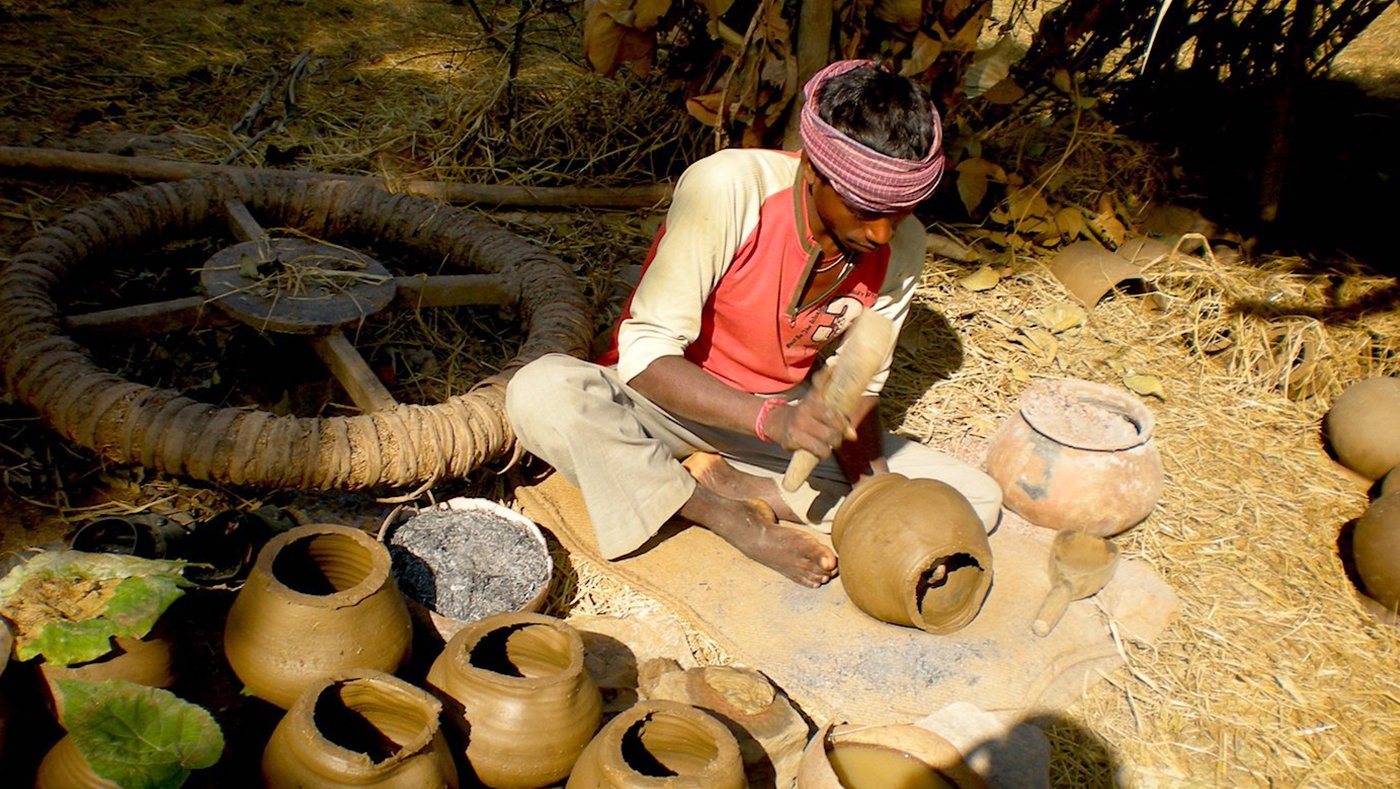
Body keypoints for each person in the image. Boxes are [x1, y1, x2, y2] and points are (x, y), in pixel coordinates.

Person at [505, 60, 1002, 588]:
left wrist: (876, 492)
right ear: (812, 170)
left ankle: (730, 484)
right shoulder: (730, 187)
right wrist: (770, 420)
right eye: (864, 209)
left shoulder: (903, 246)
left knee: (974, 501)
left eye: (899, 212)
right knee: (541, 390)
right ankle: (723, 514)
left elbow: (858, 388)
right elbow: (645, 356)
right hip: (660, 405)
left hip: (774, 438)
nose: (882, 233)